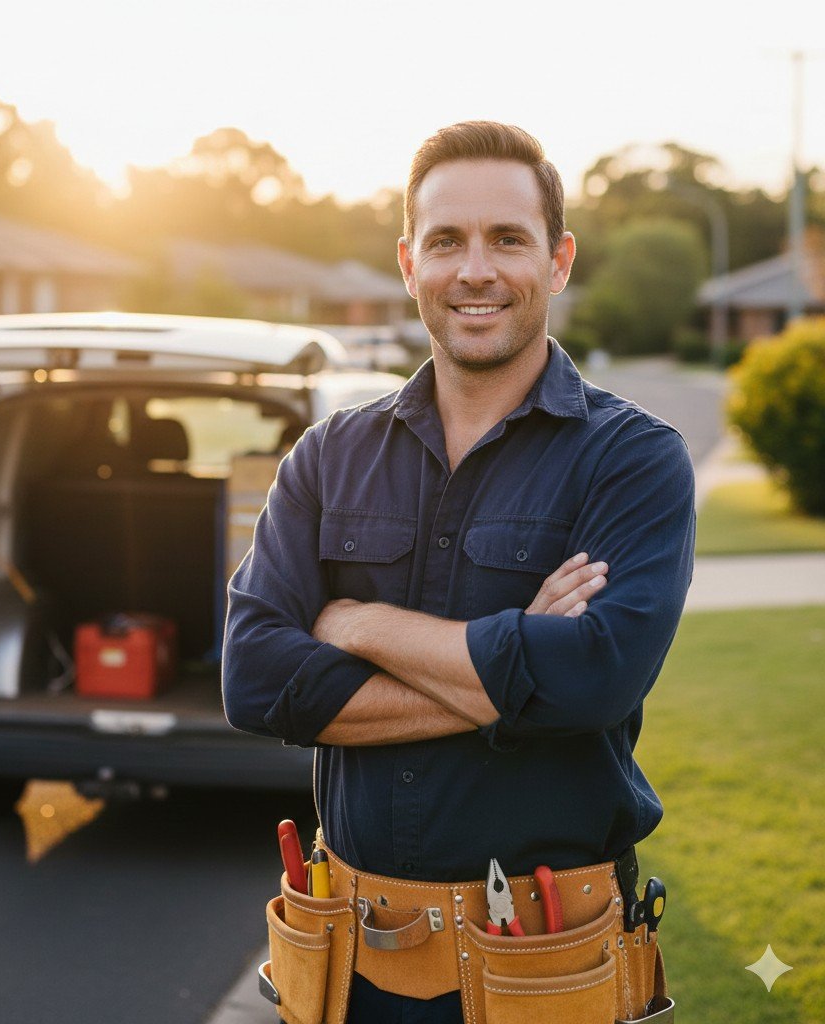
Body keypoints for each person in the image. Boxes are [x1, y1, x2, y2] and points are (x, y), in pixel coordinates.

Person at [222, 121, 694, 1023]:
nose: (474, 270)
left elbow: (594, 679)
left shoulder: (633, 460)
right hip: (348, 961)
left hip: (547, 964)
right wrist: (518, 670)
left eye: (506, 239)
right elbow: (253, 680)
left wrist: (356, 624)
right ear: (409, 263)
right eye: (446, 241)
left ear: (557, 261)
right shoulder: (327, 456)